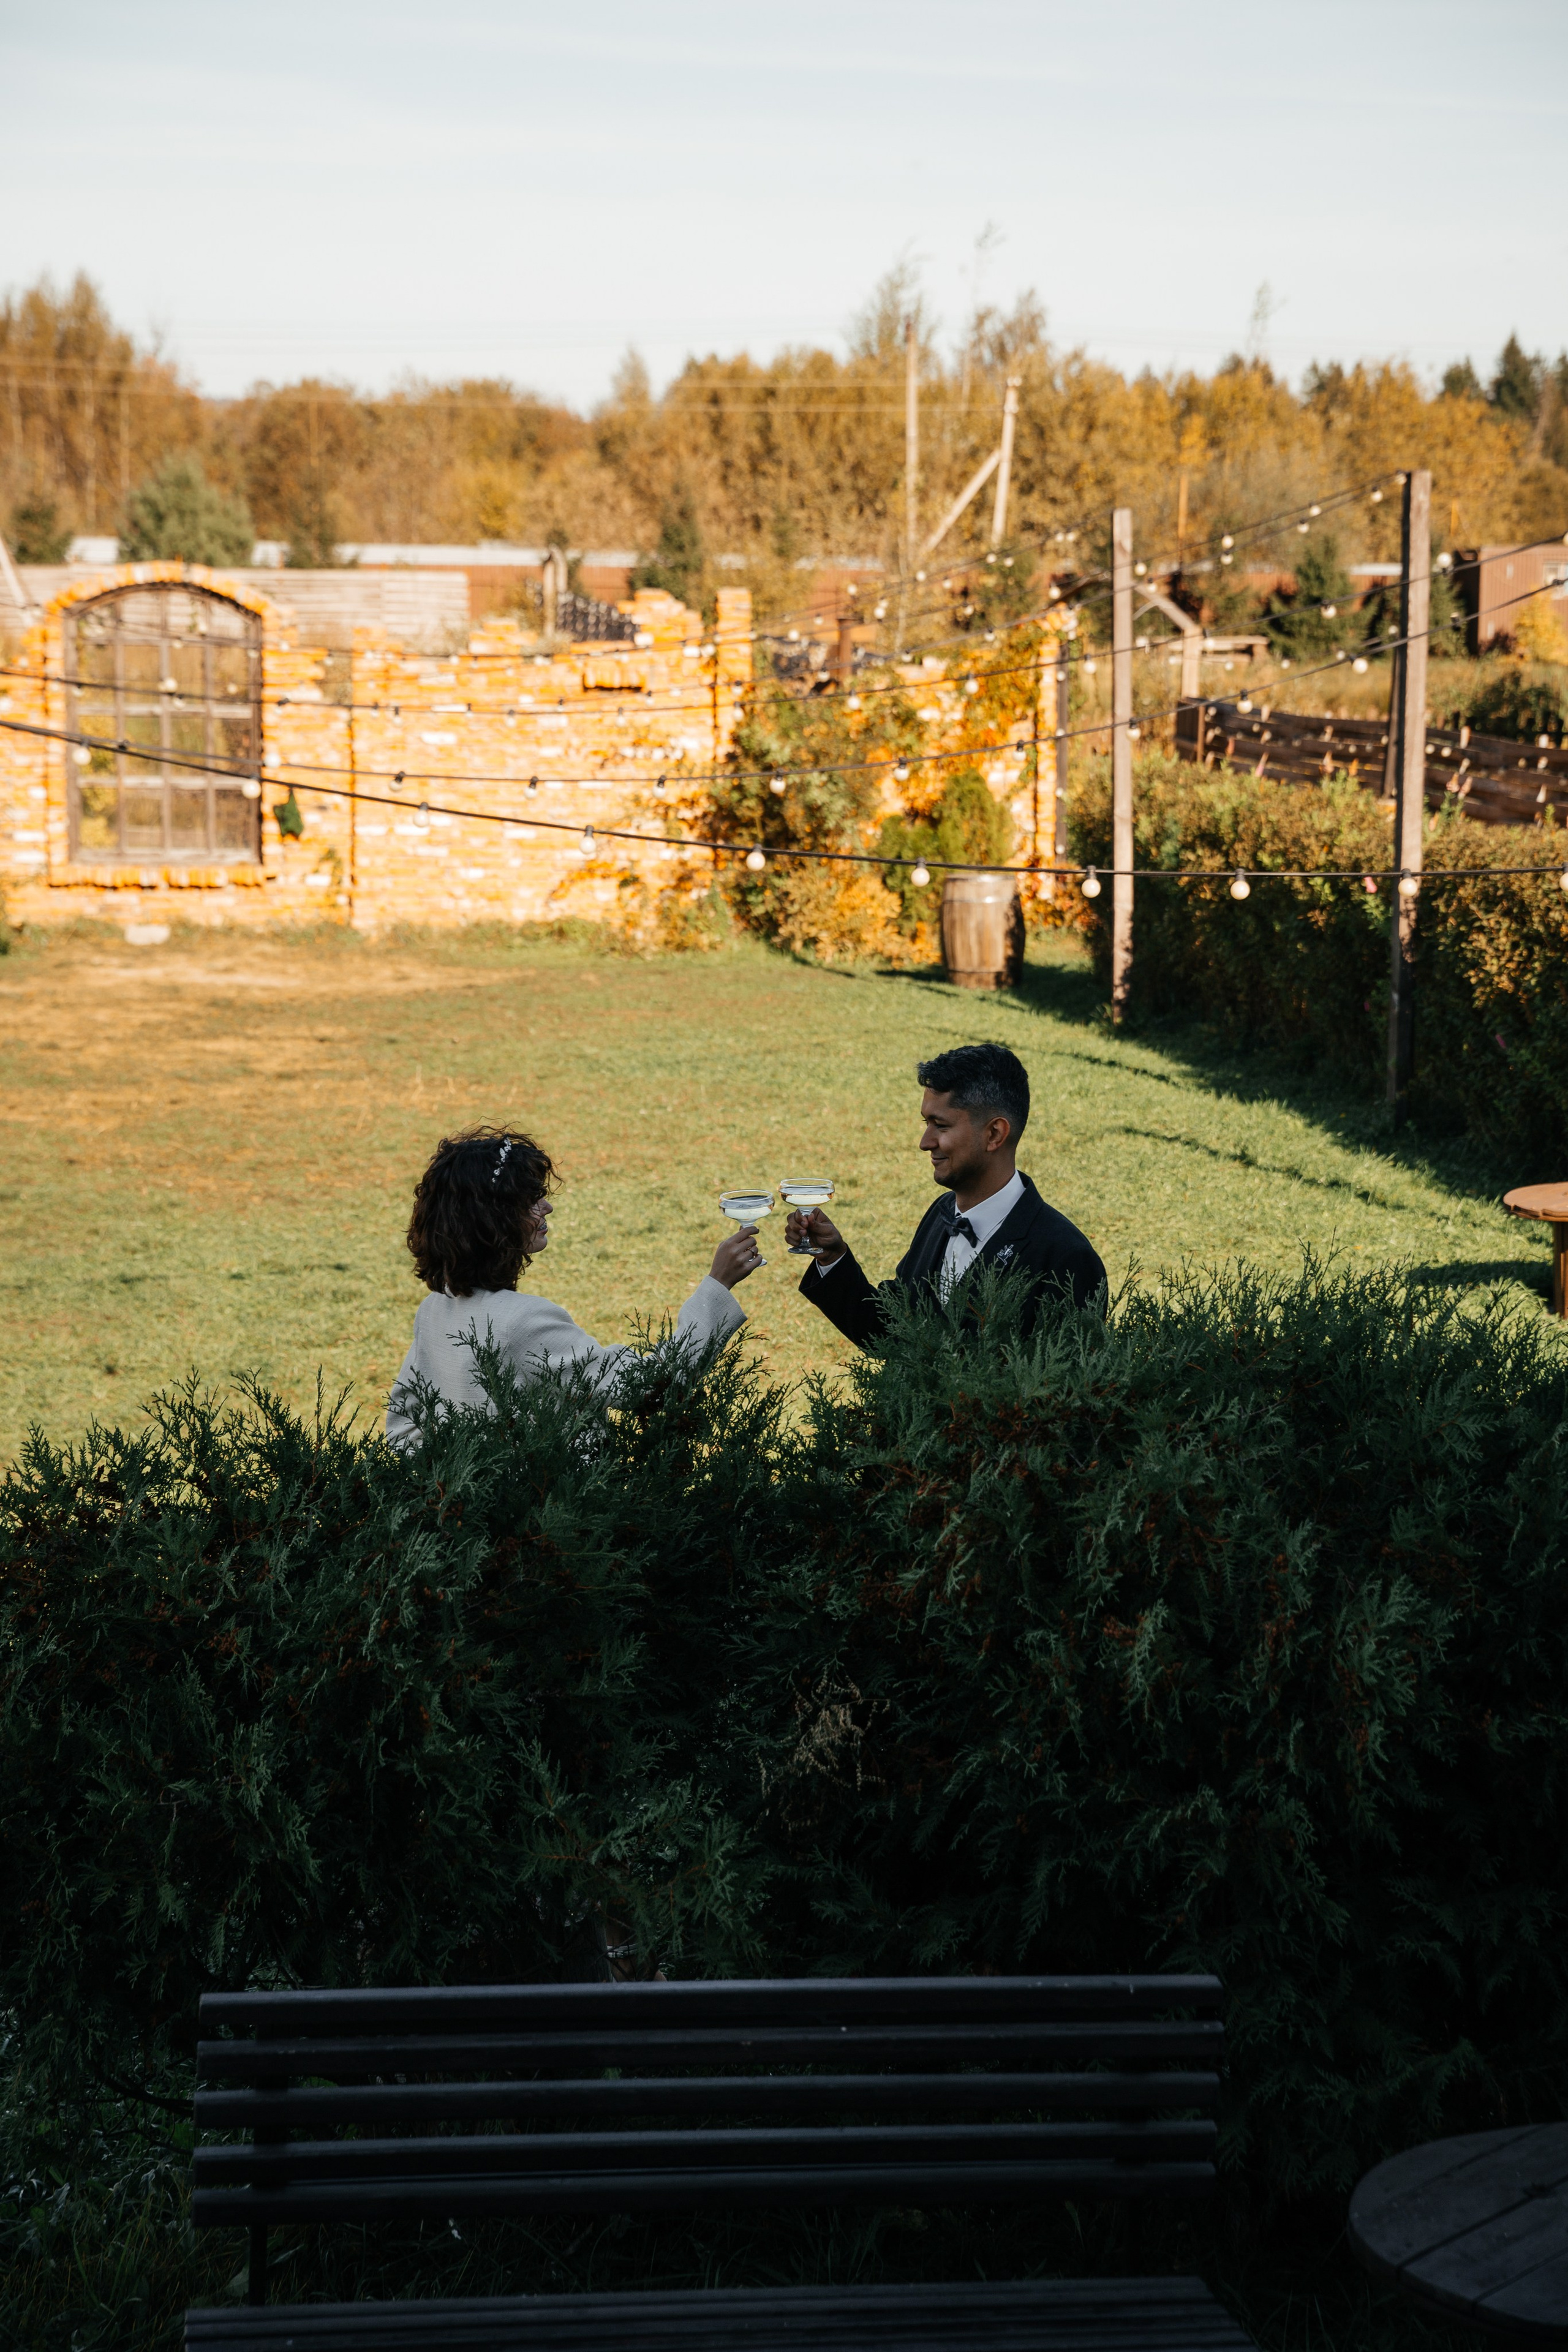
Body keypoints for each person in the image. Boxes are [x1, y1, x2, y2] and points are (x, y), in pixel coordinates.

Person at [386, 1126, 760, 1449]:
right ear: (493, 1222)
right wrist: (717, 1285)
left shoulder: (434, 1308)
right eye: (531, 1201)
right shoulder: (524, 1321)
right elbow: (649, 1384)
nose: (547, 1207)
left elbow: (404, 1421)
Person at [786, 1041, 1105, 1351]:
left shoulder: (1066, 1258)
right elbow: (893, 1331)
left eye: (940, 1126)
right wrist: (833, 1257)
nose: (925, 1142)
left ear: (994, 1134)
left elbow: (1065, 1391)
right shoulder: (942, 1213)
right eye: (927, 1123)